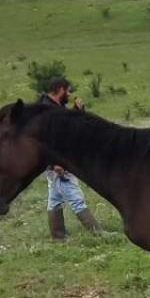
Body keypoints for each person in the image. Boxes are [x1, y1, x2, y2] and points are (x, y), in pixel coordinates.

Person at [39, 75, 102, 240]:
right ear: (60, 90)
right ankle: (98, 232)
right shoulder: (48, 111)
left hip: (57, 161)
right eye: (67, 91)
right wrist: (55, 163)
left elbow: (66, 127)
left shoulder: (53, 106)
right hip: (59, 162)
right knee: (76, 197)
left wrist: (77, 110)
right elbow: (46, 140)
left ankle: (58, 235)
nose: (69, 93)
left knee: (55, 198)